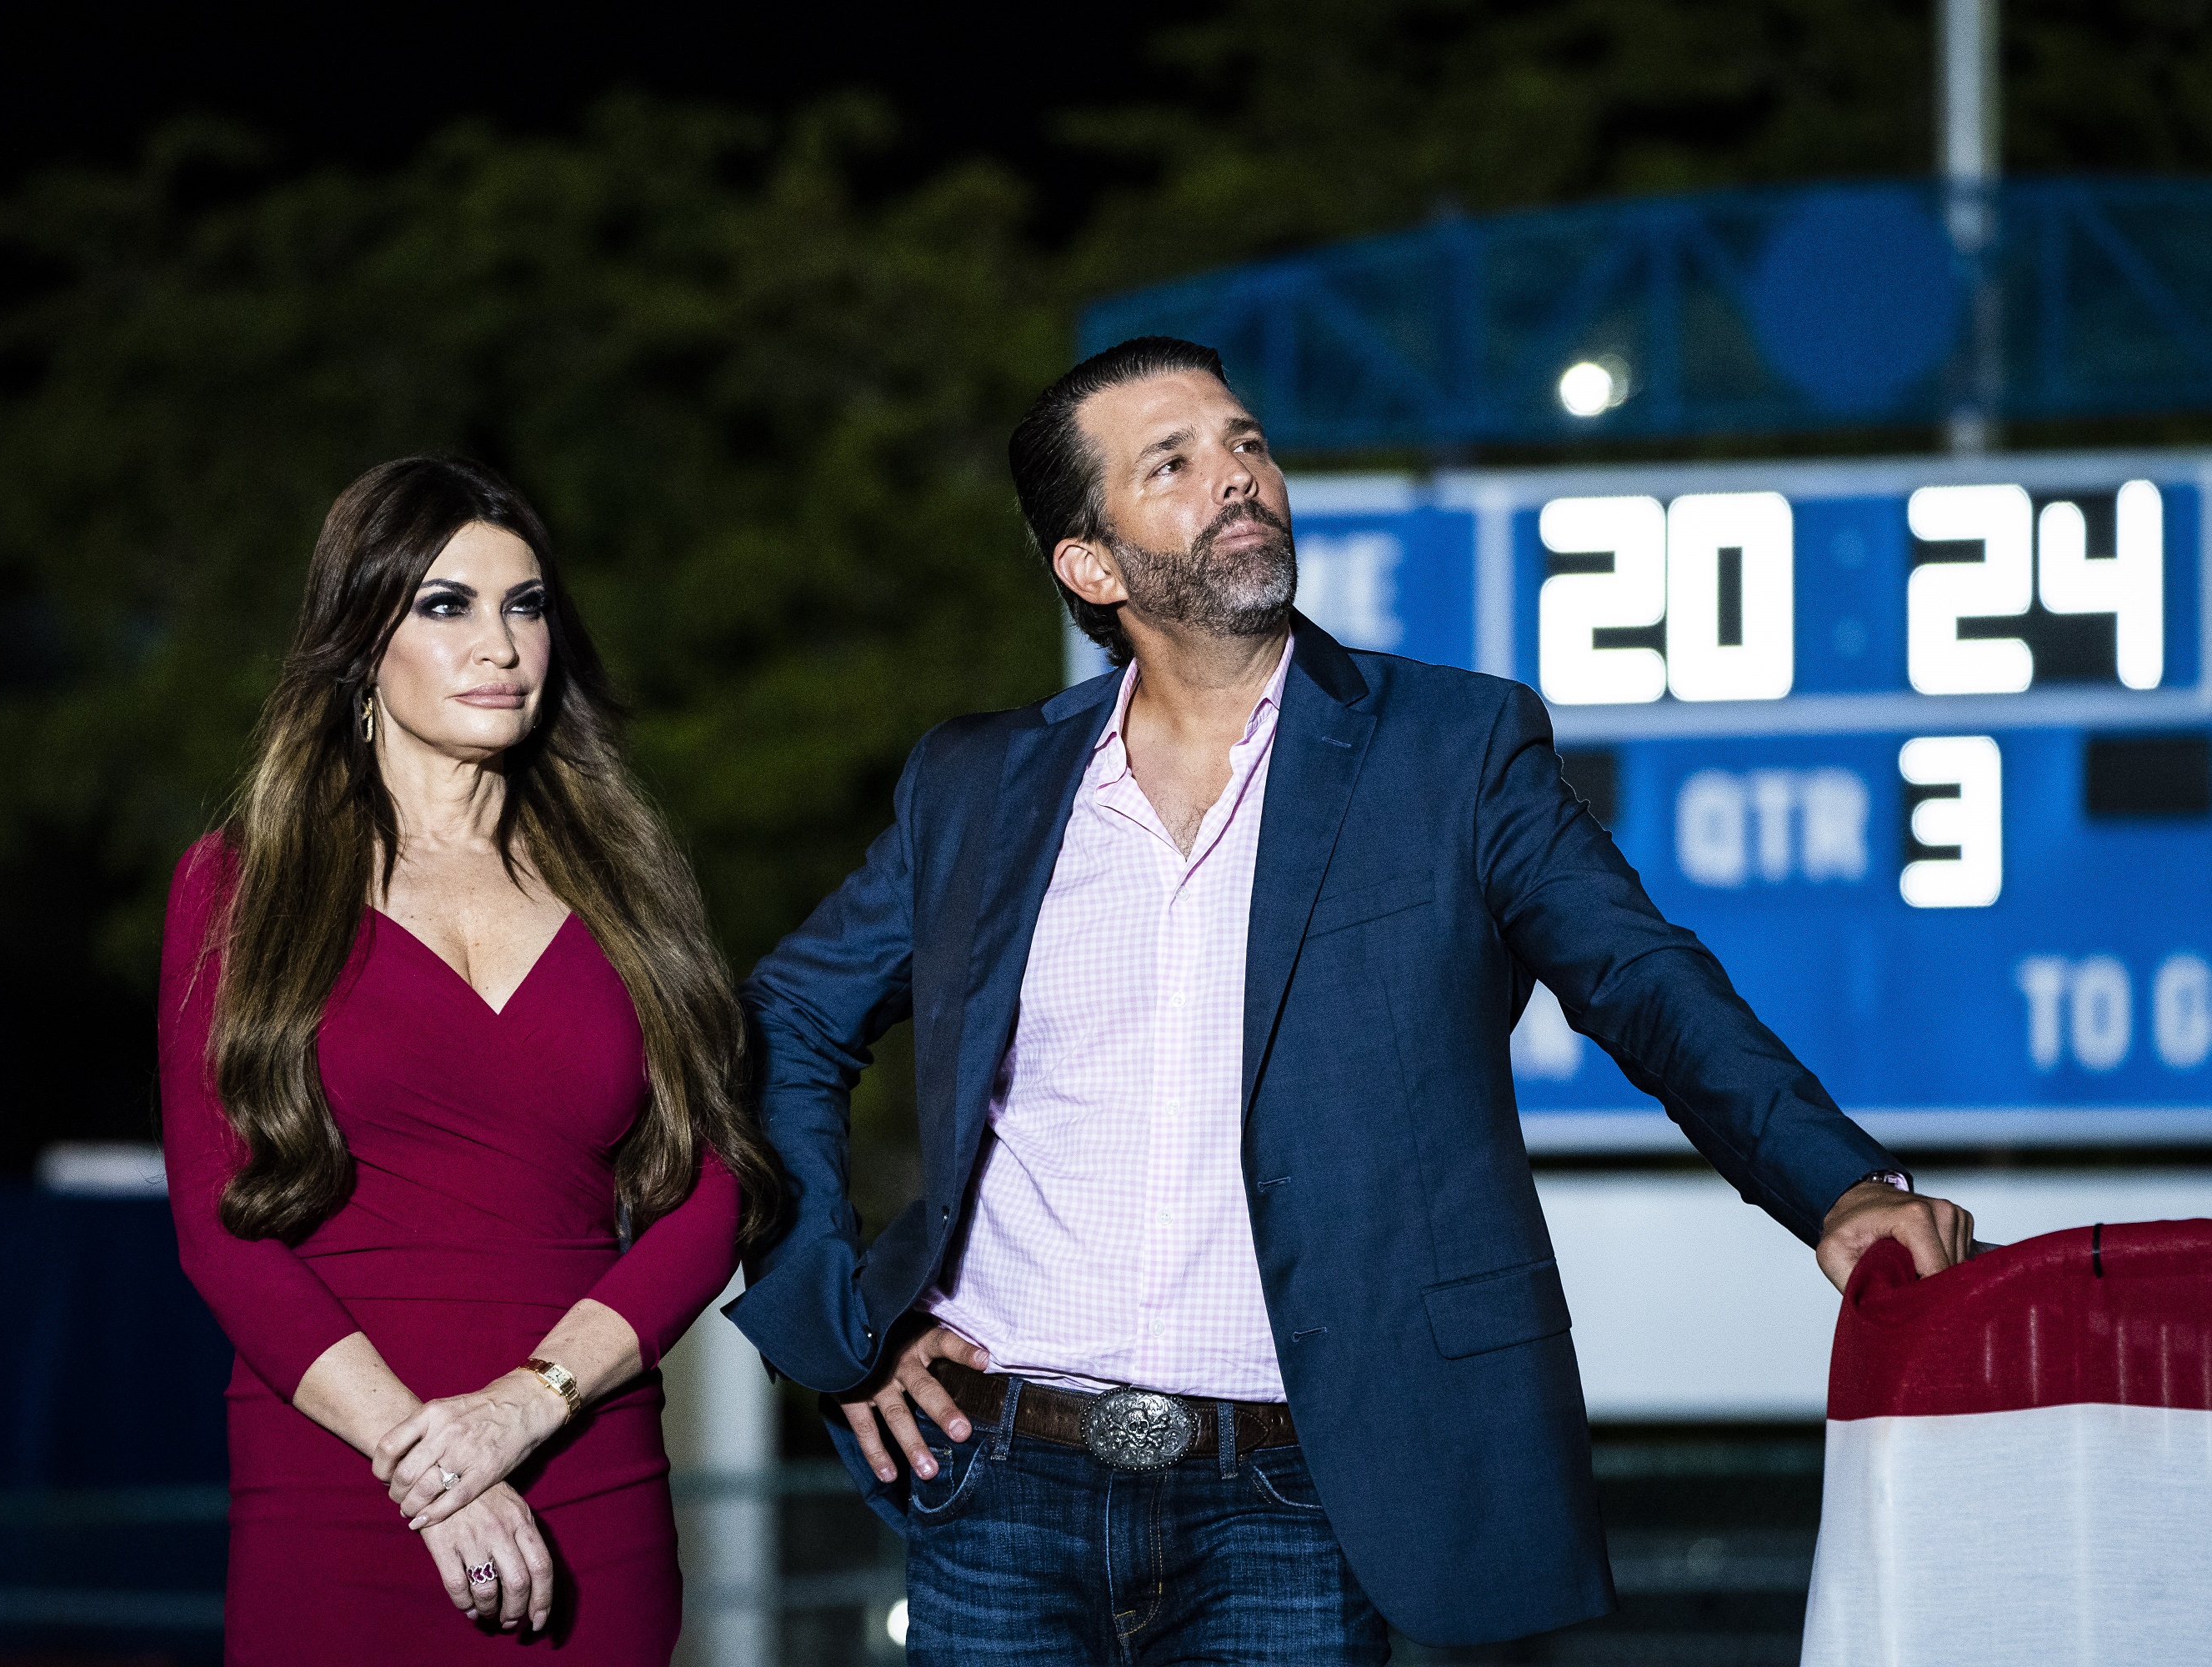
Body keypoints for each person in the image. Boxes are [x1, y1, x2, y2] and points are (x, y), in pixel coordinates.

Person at [725, 338, 1974, 1663]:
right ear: (1089, 568)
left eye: (1247, 443)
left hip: (1299, 1491)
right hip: (1001, 1480)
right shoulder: (976, 784)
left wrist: (1840, 1189)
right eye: (1176, 462)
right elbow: (789, 1017)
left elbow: (1643, 980)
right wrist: (836, 1322)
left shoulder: (1452, 748)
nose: (1239, 476)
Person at [158, 456, 779, 1665]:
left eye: (526, 604)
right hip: (340, 1479)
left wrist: (524, 1407)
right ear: (360, 641)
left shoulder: (628, 881)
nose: (500, 644)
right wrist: (424, 1457)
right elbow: (216, 1224)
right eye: (446, 605)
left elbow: (712, 1194)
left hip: (584, 1470)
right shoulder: (244, 886)